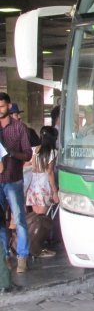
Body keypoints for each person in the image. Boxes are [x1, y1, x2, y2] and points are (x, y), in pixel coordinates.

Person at [0, 93, 33, 273]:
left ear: (9, 106)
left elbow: (28, 154)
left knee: (19, 218)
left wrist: (12, 153)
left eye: (2, 107)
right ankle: (5, 256)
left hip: (13, 179)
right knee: (0, 221)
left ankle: (22, 257)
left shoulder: (19, 128)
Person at [25, 127, 59, 258]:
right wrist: (55, 191)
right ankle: (37, 247)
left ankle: (31, 245)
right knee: (41, 220)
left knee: (35, 218)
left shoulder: (35, 150)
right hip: (44, 185)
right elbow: (50, 173)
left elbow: (31, 166)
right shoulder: (52, 153)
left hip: (34, 185)